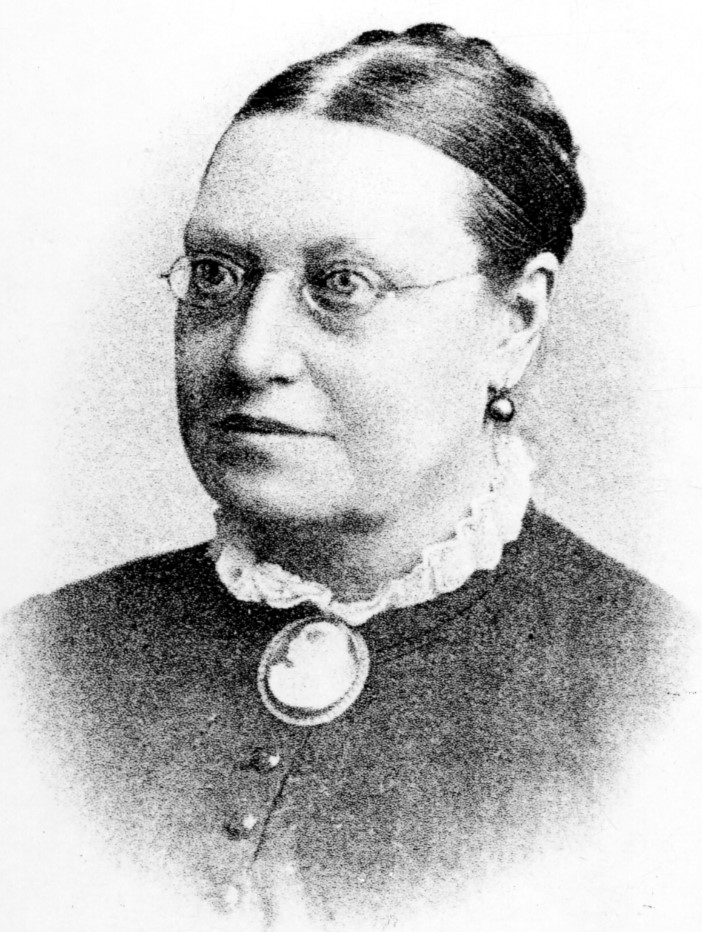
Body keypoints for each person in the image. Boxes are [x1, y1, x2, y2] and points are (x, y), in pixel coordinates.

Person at [3, 23, 697, 932]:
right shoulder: (41, 660)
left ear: (515, 322)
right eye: (216, 275)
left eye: (343, 286)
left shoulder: (662, 698)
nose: (250, 354)